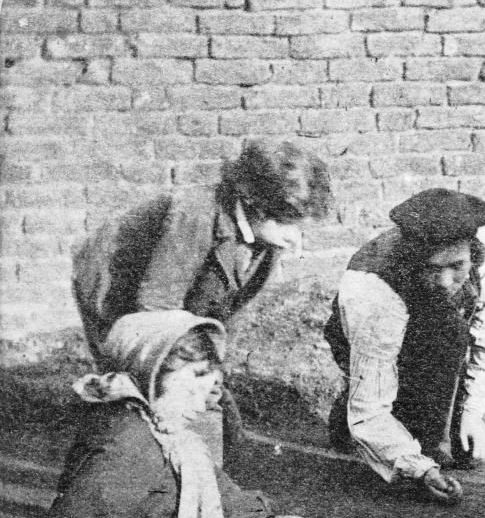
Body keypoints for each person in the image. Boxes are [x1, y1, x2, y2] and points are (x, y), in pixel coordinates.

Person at [14, 310, 325, 518]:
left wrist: (250, 516)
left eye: (208, 380)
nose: (207, 395)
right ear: (151, 373)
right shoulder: (129, 442)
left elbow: (205, 483)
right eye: (193, 378)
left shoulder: (158, 426)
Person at [72, 137, 332, 462]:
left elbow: (227, 312)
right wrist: (180, 374)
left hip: (174, 293)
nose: (296, 241)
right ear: (254, 205)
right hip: (116, 287)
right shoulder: (195, 214)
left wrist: (212, 369)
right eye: (286, 224)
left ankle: (200, 467)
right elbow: (154, 309)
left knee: (205, 393)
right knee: (140, 389)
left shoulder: (265, 241)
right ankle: (123, 466)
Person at [324, 188, 485, 505]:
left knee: (462, 450)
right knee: (414, 449)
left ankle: (440, 413)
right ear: (413, 259)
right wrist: (419, 468)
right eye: (432, 268)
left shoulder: (483, 248)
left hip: (439, 328)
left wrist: (472, 413)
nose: (446, 280)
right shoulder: (372, 288)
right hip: (373, 336)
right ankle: (347, 411)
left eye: (456, 265)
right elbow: (370, 411)